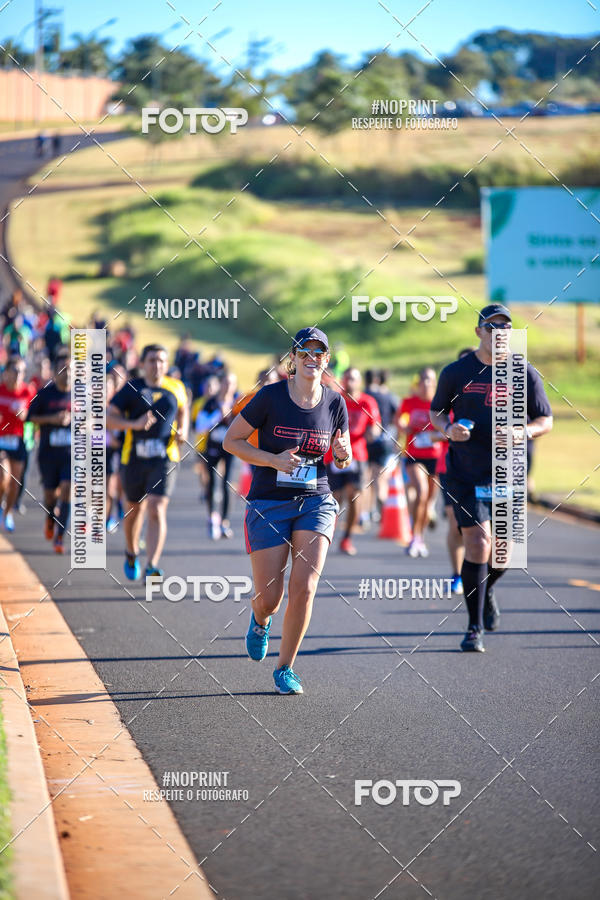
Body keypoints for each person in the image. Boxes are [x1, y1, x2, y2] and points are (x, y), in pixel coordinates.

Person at [223, 327, 351, 695]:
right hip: (269, 501)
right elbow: (231, 441)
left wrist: (343, 455)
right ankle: (260, 618)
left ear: (326, 360)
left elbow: (343, 453)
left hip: (317, 500)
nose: (312, 359)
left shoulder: (334, 403)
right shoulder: (269, 397)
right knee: (271, 597)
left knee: (305, 586)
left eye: (319, 353)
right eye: (304, 352)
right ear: (292, 359)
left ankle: (285, 668)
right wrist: (272, 460)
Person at [430, 305, 553, 652]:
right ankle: (473, 628)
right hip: (465, 472)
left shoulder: (524, 372)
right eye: (492, 326)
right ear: (478, 332)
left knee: (503, 554)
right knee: (479, 543)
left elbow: (546, 419)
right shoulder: (457, 371)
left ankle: (486, 590)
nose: (498, 332)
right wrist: (448, 429)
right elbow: (436, 412)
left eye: (505, 327)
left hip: (507, 472)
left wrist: (523, 432)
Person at [106, 344, 189, 580]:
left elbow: (183, 410)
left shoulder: (176, 387)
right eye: (152, 360)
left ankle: (152, 565)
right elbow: (109, 419)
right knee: (135, 509)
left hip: (165, 458)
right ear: (143, 364)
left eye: (162, 360)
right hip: (133, 458)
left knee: (156, 507)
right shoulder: (132, 389)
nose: (157, 365)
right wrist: (133, 425)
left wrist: (182, 429)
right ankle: (131, 552)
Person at [327, 367, 381, 555]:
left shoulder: (367, 402)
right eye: (347, 378)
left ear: (359, 382)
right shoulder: (334, 399)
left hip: (356, 455)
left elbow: (375, 428)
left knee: (354, 495)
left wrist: (372, 433)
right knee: (335, 498)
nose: (350, 382)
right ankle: (326, 535)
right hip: (332, 455)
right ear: (343, 380)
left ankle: (347, 538)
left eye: (354, 379)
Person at [27, 349, 72, 553]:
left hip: (72, 454)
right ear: (55, 372)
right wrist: (52, 419)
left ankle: (60, 537)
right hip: (48, 453)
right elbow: (30, 417)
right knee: (50, 495)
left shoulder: (82, 395)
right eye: (63, 369)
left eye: (71, 369)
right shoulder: (45, 393)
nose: (68, 373)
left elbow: (95, 421)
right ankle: (50, 518)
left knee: (67, 489)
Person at [396, 367, 444, 558]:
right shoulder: (409, 401)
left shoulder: (440, 403)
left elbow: (447, 428)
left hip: (435, 456)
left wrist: (436, 436)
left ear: (434, 383)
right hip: (414, 455)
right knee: (421, 491)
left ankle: (419, 537)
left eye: (429, 380)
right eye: (423, 379)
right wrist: (403, 426)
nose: (426, 383)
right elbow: (399, 420)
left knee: (427, 501)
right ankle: (414, 536)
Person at [197, 372, 239, 540]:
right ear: (221, 384)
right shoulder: (211, 403)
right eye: (226, 383)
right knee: (212, 484)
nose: (228, 386)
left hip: (231, 449)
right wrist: (217, 416)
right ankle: (212, 518)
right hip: (213, 447)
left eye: (232, 383)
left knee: (227, 483)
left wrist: (230, 416)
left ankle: (225, 522)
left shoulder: (238, 403)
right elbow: (200, 426)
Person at [0, 357, 35, 531]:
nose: (18, 375)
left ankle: (7, 513)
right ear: (6, 373)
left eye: (21, 371)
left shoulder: (27, 392)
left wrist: (26, 415)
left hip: (19, 440)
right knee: (3, 475)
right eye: (14, 371)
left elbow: (35, 415)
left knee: (14, 484)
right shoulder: (1, 391)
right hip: (1, 440)